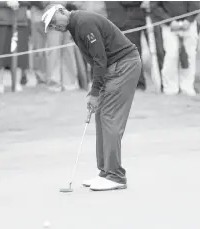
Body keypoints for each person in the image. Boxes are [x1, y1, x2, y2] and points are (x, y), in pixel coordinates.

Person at [42, 4, 142, 191]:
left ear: (62, 11)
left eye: (55, 22)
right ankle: (105, 172)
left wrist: (96, 92)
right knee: (101, 115)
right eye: (52, 26)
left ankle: (116, 176)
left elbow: (99, 59)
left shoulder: (83, 22)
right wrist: (94, 90)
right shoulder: (75, 26)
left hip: (124, 66)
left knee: (109, 116)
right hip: (116, 67)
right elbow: (95, 60)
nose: (56, 27)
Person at [150, 1, 200, 96]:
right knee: (171, 55)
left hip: (189, 25)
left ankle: (187, 87)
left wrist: (188, 20)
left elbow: (196, 4)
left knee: (189, 55)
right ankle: (170, 88)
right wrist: (170, 21)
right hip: (169, 26)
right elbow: (154, 6)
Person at [0, 1, 31, 93]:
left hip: (20, 21)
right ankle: (0, 84)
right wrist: (6, 2)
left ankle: (17, 83)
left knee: (19, 54)